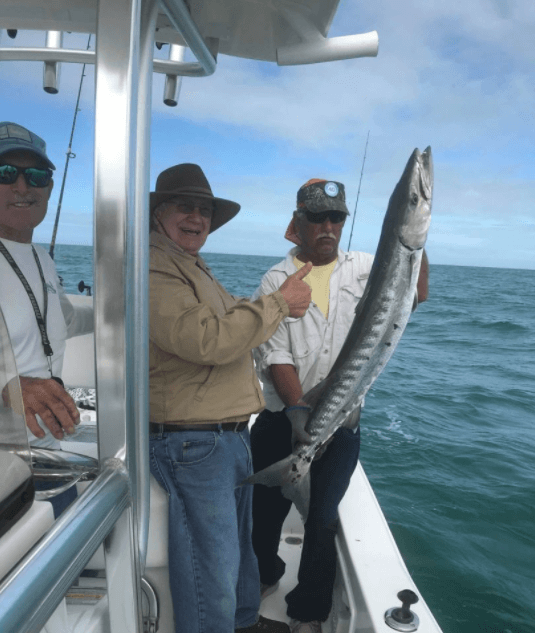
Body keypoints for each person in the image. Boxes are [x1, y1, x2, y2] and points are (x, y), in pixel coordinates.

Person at [250, 178, 429, 633]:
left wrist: (416, 242)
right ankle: (262, 579)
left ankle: (308, 609)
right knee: (265, 510)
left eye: (337, 218)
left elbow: (417, 294)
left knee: (324, 517)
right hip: (280, 419)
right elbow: (276, 355)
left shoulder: (368, 267)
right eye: (317, 218)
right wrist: (298, 415)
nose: (328, 226)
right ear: (298, 222)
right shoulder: (277, 278)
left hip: (343, 422)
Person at [148, 163, 313, 633]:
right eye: (185, 206)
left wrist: (266, 306)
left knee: (237, 551)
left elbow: (227, 323)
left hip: (226, 437)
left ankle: (243, 623)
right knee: (211, 565)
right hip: (193, 442)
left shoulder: (188, 263)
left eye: (204, 209)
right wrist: (279, 303)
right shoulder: (155, 266)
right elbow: (208, 340)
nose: (196, 217)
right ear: (159, 213)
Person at [0, 122, 94, 517]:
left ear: (50, 187)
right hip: (6, 473)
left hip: (47, 461)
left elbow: (66, 320)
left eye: (37, 175)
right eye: (5, 173)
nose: (24, 186)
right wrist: (10, 385)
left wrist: (132, 316)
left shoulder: (42, 259)